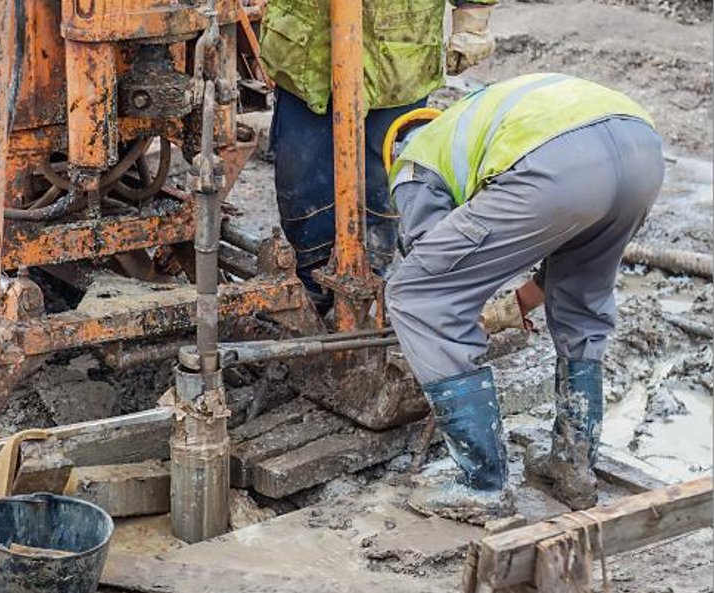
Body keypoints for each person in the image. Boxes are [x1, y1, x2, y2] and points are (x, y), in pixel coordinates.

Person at [383, 73, 665, 524]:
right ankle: (573, 467)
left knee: (417, 296)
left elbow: (435, 271)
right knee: (582, 306)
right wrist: (518, 303)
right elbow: (558, 246)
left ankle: (482, 484)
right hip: (641, 150)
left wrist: (454, 322)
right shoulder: (483, 121)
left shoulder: (414, 161)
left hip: (559, 166)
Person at [259, 0, 497, 310]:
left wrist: (473, 18)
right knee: (302, 177)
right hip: (306, 51)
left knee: (382, 182)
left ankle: (372, 280)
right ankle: (310, 286)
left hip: (396, 57)